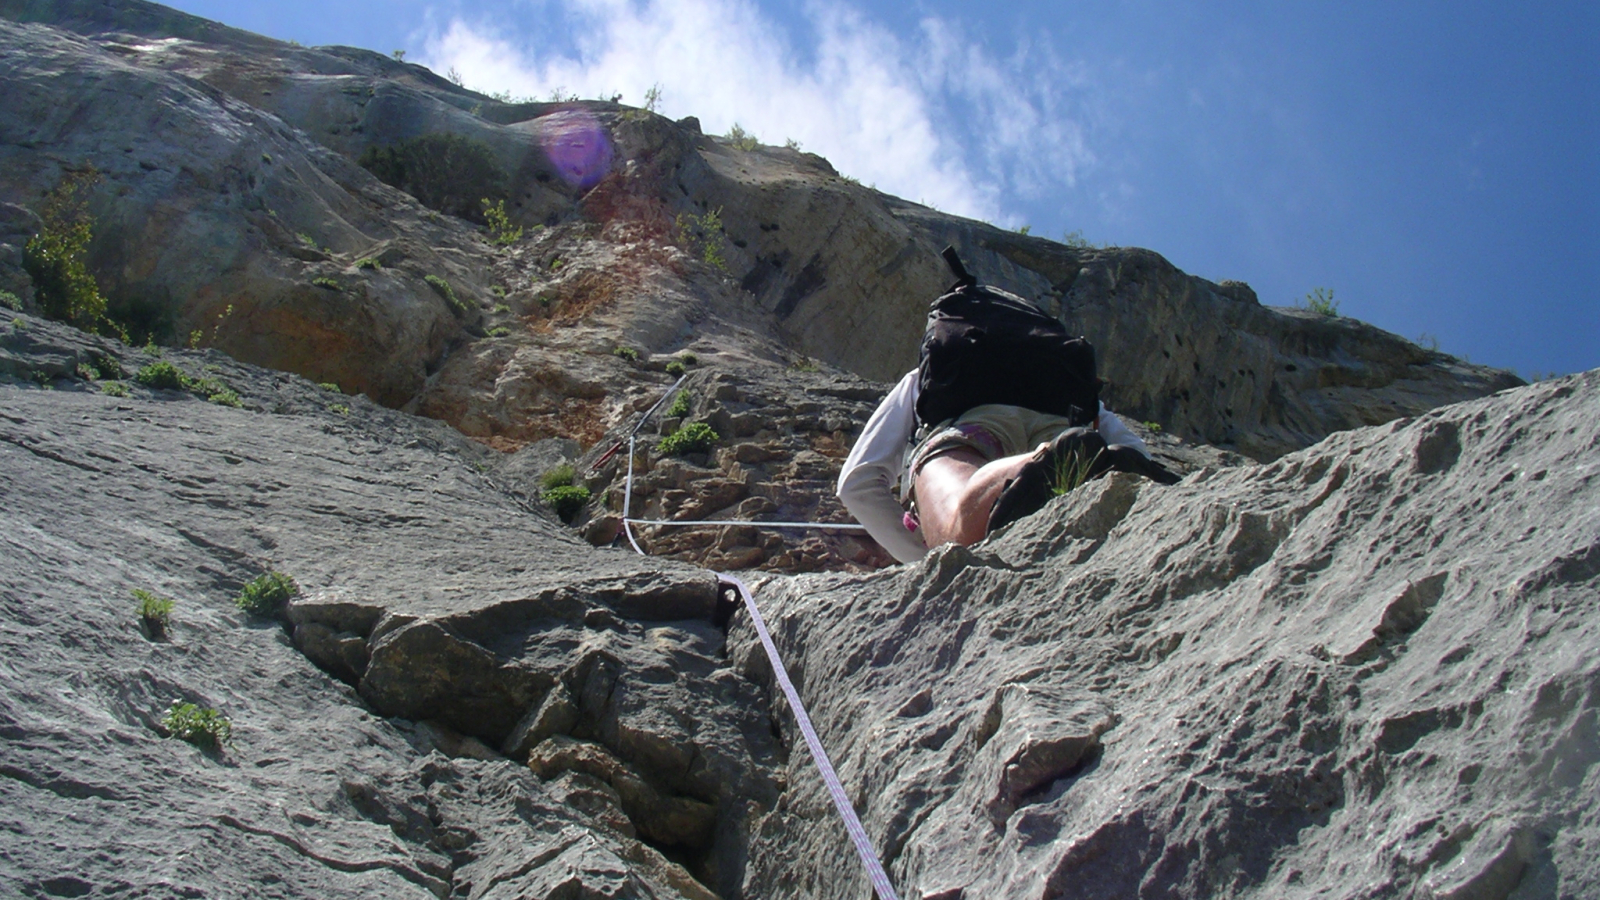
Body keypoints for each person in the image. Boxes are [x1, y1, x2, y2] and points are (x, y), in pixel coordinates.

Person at [836, 369, 1176, 563]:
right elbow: (1131, 450)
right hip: (1064, 422)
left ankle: (1038, 459)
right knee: (1080, 453)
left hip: (970, 428)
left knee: (956, 518)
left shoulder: (932, 371)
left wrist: (925, 559)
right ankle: (1057, 458)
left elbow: (858, 485)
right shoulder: (1054, 370)